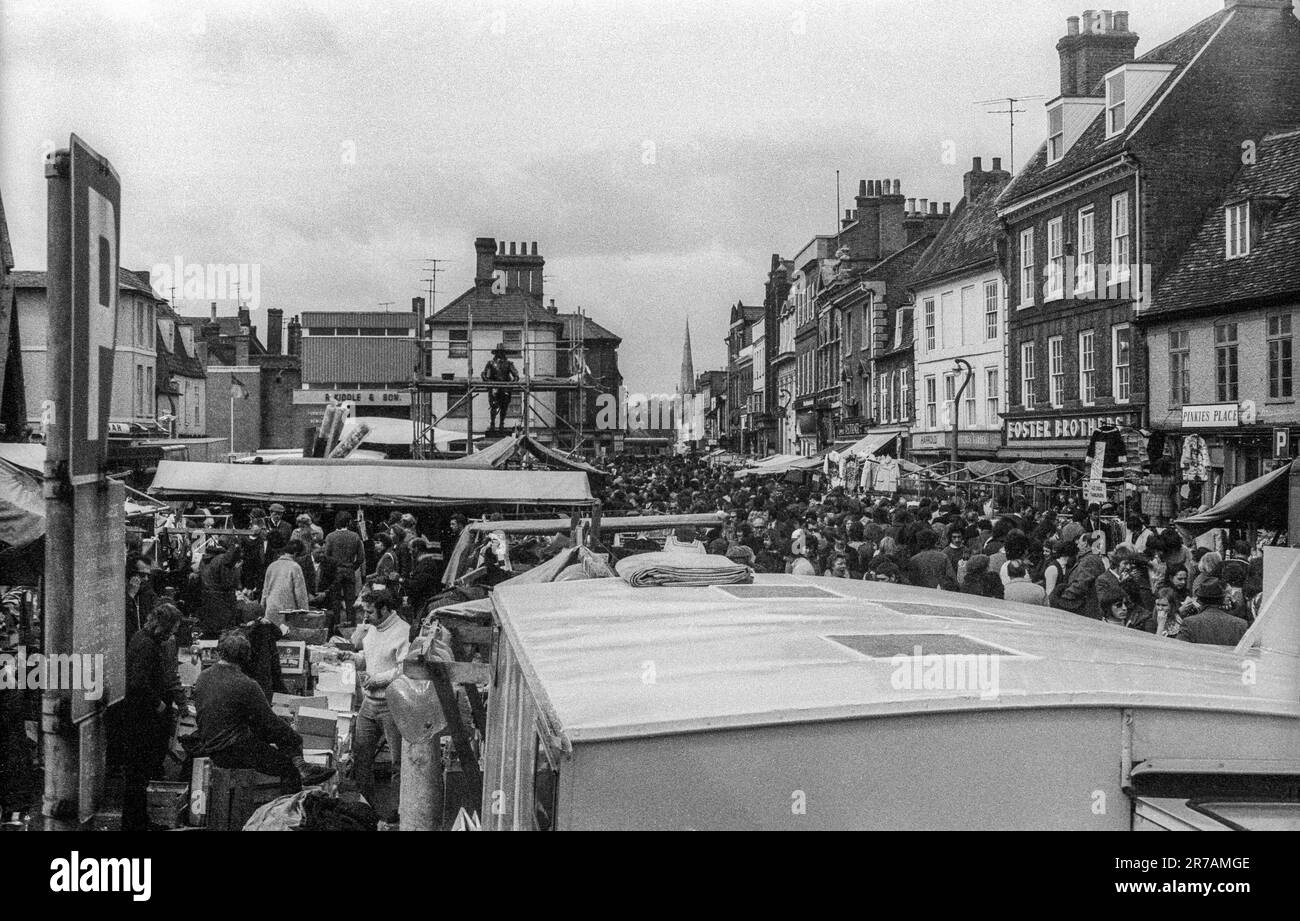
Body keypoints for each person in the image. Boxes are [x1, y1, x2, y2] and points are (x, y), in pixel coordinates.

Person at [192, 631, 334, 792]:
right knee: (288, 763)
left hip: (209, 741)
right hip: (231, 749)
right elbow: (269, 722)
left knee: (275, 734)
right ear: (246, 657)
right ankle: (293, 792)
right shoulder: (246, 684)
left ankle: (302, 768)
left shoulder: (203, 677)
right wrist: (292, 735)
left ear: (220, 652)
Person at [121, 603, 183, 831]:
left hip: (138, 717)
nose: (172, 634)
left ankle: (138, 821)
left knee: (138, 776)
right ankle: (134, 823)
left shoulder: (141, 638)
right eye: (172, 629)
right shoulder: (147, 645)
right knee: (139, 774)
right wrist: (158, 704)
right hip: (143, 720)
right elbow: (138, 682)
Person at [349, 589, 411, 816]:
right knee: (361, 755)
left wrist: (378, 679)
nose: (366, 617)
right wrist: (354, 659)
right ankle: (365, 806)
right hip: (369, 703)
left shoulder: (403, 631)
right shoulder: (372, 629)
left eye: (370, 612)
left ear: (385, 609)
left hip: (391, 704)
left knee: (398, 762)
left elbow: (404, 669)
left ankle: (397, 810)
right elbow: (370, 655)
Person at [1178, 578, 1248, 646]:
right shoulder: (1241, 625)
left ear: (1199, 600)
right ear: (1223, 599)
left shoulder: (1189, 623)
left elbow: (1179, 650)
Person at [199, 540, 243, 638]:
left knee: (209, 635)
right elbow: (227, 583)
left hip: (206, 602)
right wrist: (236, 570)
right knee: (224, 636)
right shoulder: (222, 559)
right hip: (223, 603)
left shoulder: (204, 560)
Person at [325, 512, 365, 615]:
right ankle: (351, 623)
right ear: (348, 522)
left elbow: (326, 556)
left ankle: (335, 624)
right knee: (350, 600)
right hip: (349, 570)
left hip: (335, 571)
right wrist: (352, 567)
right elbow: (361, 558)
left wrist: (331, 568)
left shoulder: (330, 536)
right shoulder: (355, 536)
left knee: (335, 600)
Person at [261, 540, 310, 620]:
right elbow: (300, 592)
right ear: (296, 553)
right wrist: (304, 611)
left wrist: (262, 607)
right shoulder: (295, 567)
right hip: (287, 611)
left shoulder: (272, 566)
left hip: (271, 609)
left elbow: (265, 590)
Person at [482, 344, 520, 431]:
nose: (500, 354)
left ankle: (501, 424)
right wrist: (488, 381)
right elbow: (484, 375)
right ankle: (492, 423)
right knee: (494, 405)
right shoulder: (490, 363)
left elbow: (516, 376)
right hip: (494, 387)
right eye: (498, 352)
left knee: (504, 407)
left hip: (504, 388)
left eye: (502, 352)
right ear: (496, 353)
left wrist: (511, 383)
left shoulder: (509, 363)